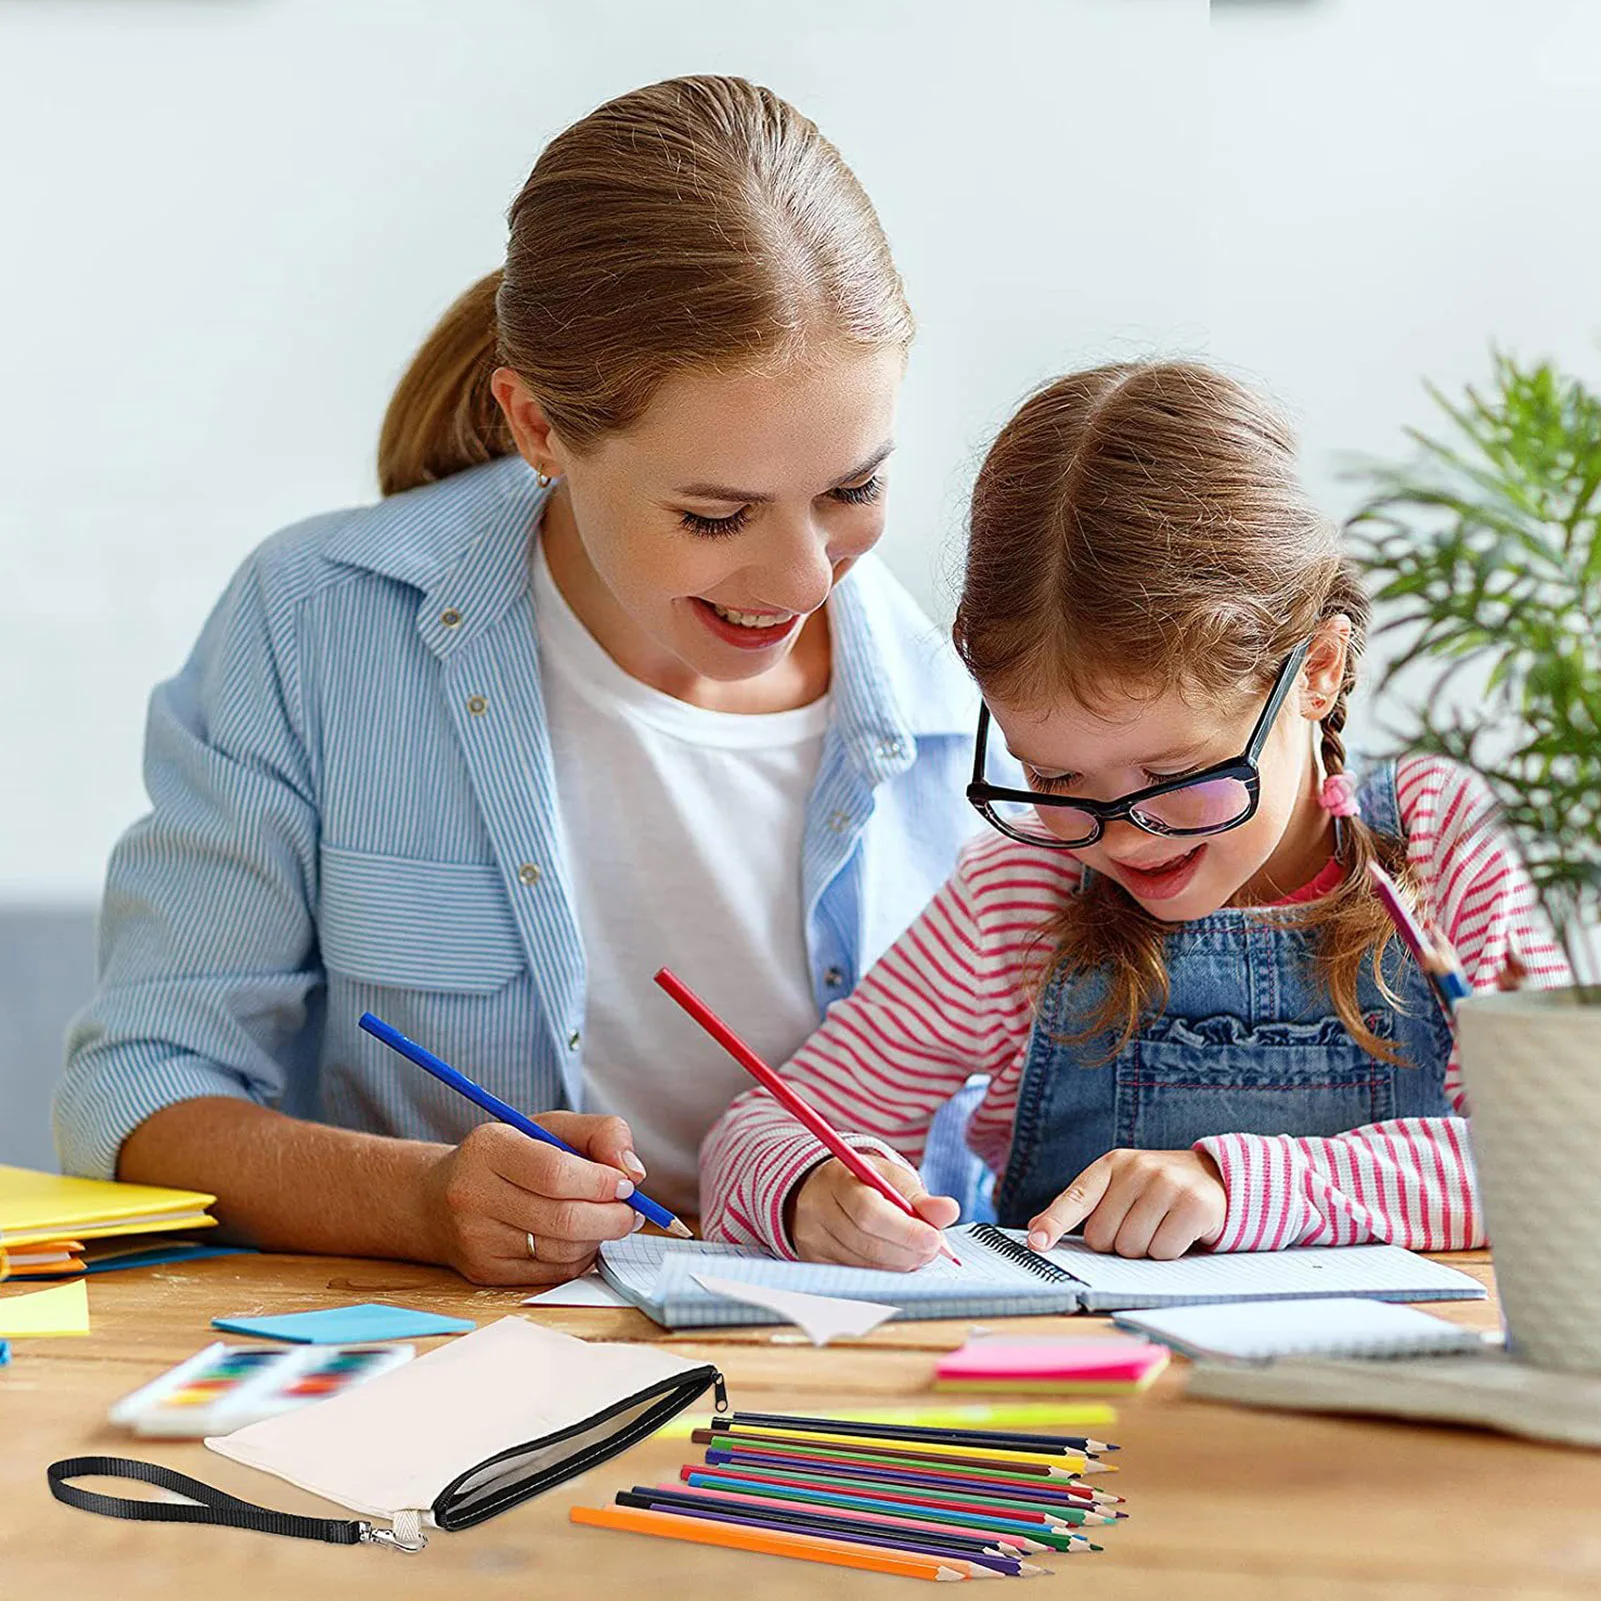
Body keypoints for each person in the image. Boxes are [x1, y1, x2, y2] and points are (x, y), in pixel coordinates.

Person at [56, 76, 990, 1286]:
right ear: (537, 426)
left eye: (851, 490)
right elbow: (134, 1091)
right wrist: (418, 1196)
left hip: (841, 1381)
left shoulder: (968, 705)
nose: (803, 572)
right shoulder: (317, 625)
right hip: (444, 1368)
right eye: (715, 515)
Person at [701, 361, 1567, 1269]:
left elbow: (1553, 1153)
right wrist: (813, 1189)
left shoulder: (1435, 840)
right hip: (1076, 1388)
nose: (1119, 834)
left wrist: (1240, 1186)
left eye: (1172, 774)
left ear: (1312, 670)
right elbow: (759, 1128)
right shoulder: (1021, 892)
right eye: (1057, 779)